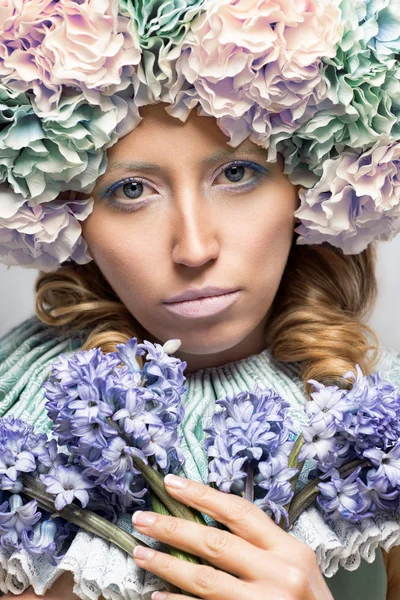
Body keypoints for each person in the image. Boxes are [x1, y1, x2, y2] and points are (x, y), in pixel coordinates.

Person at [1, 1, 400, 599]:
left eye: (237, 174)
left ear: (311, 181)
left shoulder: (377, 417)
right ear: (65, 211)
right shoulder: (17, 422)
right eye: (131, 189)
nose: (193, 247)